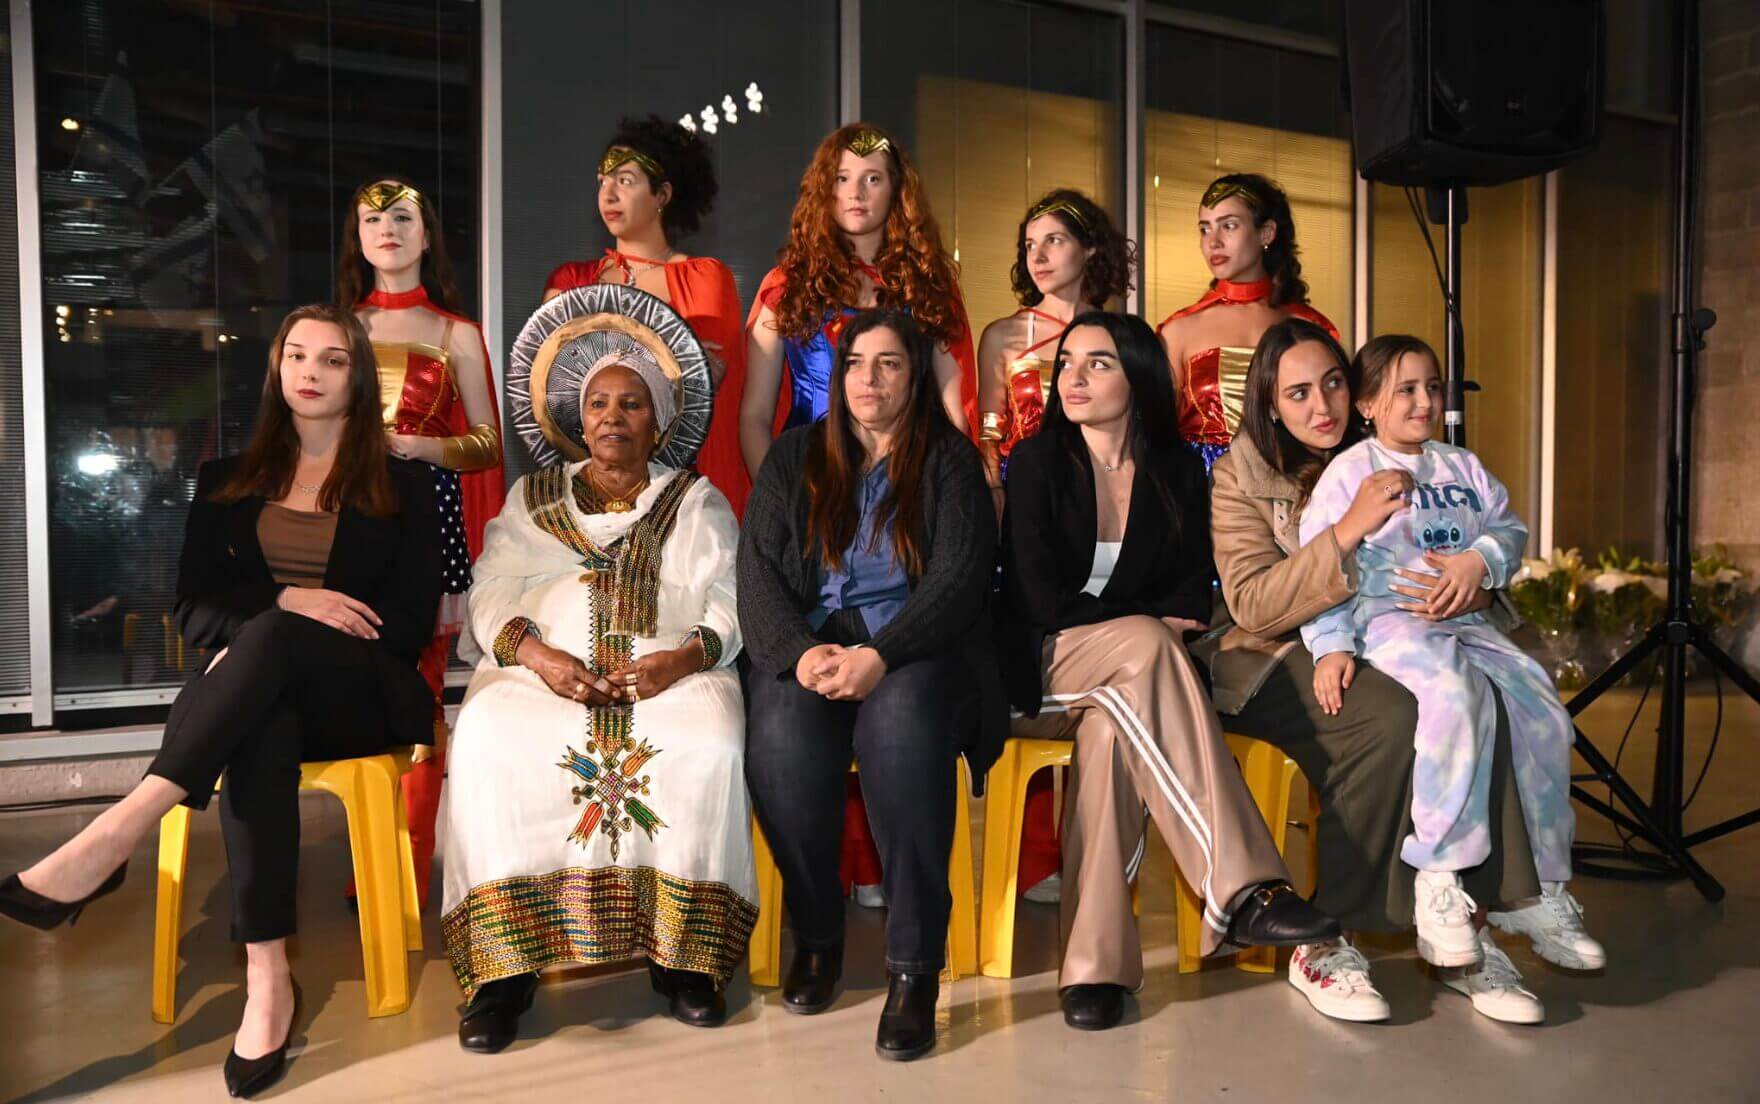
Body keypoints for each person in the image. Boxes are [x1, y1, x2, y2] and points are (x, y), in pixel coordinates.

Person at [1, 305, 441, 1097]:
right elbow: (194, 612)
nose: (310, 371)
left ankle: (119, 829)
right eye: (296, 355)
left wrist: (292, 617)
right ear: (277, 369)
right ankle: (268, 980)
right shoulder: (226, 480)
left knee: (267, 642)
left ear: (357, 378)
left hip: (362, 690)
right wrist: (289, 602)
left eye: (333, 359)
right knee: (260, 721)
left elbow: (408, 626)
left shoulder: (406, 483)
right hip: (258, 695)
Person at [997, 310, 1337, 1032]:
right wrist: (1141, 620)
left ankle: (1094, 969)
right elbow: (1037, 599)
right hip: (1041, 672)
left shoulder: (1179, 470)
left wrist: (1144, 621)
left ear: (1139, 377)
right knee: (1148, 643)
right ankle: (1245, 886)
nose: (1073, 378)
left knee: (1111, 736)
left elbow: (1191, 593)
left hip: (1128, 692)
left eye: (1098, 363)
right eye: (1067, 363)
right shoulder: (1035, 463)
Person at [1208, 318, 1555, 1024]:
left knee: (1483, 693)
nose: (1322, 406)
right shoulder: (1240, 474)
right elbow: (1252, 603)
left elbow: (1470, 542)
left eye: (1334, 383)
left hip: (1398, 636)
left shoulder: (1404, 452)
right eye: (1298, 393)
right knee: (1391, 716)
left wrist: (1475, 585)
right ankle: (1326, 937)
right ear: (1270, 403)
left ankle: (1463, 928)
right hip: (1274, 653)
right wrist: (1347, 530)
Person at [439, 310, 754, 1052]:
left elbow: (730, 597)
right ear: (576, 419)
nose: (613, 417)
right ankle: (504, 970)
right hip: (539, 672)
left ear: (658, 423)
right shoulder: (533, 498)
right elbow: (491, 590)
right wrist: (539, 657)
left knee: (708, 741)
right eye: (598, 404)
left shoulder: (698, 500)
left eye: (631, 403)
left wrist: (683, 660)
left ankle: (685, 959)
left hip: (669, 671)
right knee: (487, 737)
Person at [1295, 333, 1602, 1023]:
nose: (1424, 401)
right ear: (1366, 404)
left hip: (1466, 621)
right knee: (1455, 699)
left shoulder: (1461, 466)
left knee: (1543, 710)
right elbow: (1322, 565)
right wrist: (1331, 646)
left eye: (1432, 387)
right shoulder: (1350, 474)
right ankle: (1439, 875)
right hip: (1391, 622)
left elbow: (1508, 529)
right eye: (1405, 389)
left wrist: (1479, 563)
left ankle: (1539, 891)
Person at [738, 309, 1003, 1062]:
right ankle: (819, 934)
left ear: (915, 376)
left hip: (919, 649)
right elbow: (756, 573)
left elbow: (959, 581)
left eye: (889, 363)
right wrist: (797, 654)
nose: (869, 379)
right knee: (780, 741)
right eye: (856, 363)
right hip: (816, 644)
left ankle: (914, 968)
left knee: (901, 732)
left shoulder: (949, 461)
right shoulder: (794, 457)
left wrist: (883, 654)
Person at [741, 121, 979, 907]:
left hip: (910, 503)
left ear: (897, 192)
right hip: (810, 500)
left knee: (900, 699)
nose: (856, 193)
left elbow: (955, 410)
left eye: (873, 178)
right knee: (796, 712)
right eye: (842, 178)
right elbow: (754, 415)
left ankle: (886, 879)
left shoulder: (930, 285)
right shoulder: (785, 284)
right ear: (822, 189)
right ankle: (824, 898)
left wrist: (960, 496)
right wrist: (785, 511)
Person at [341, 177, 505, 903]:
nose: (388, 229)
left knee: (418, 695)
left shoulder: (455, 332)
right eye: (373, 218)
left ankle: (404, 876)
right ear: (358, 236)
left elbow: (487, 443)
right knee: (353, 691)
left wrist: (420, 447)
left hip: (423, 524)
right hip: (345, 524)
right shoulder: (335, 329)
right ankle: (368, 866)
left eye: (403, 217)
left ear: (427, 234)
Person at [974, 187, 1139, 906]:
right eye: (1029, 244)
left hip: (1102, 519)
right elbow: (988, 432)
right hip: (1022, 517)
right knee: (1031, 673)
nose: (1038, 256)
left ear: (1090, 248)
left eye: (1055, 241)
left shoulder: (1123, 334)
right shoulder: (1003, 335)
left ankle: (1095, 850)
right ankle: (1037, 857)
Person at [544, 116, 752, 517]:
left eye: (625, 180)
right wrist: (668, 355)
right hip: (589, 487)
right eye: (602, 181)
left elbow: (703, 384)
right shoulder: (570, 280)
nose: (608, 193)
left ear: (662, 194)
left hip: (678, 486)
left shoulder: (705, 277)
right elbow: (556, 389)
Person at [1156, 173, 1337, 472]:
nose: (1213, 242)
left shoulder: (1311, 326)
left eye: (1228, 226)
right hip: (1203, 489)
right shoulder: (1177, 331)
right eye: (1204, 229)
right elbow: (1156, 435)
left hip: (1298, 482)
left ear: (1266, 233)